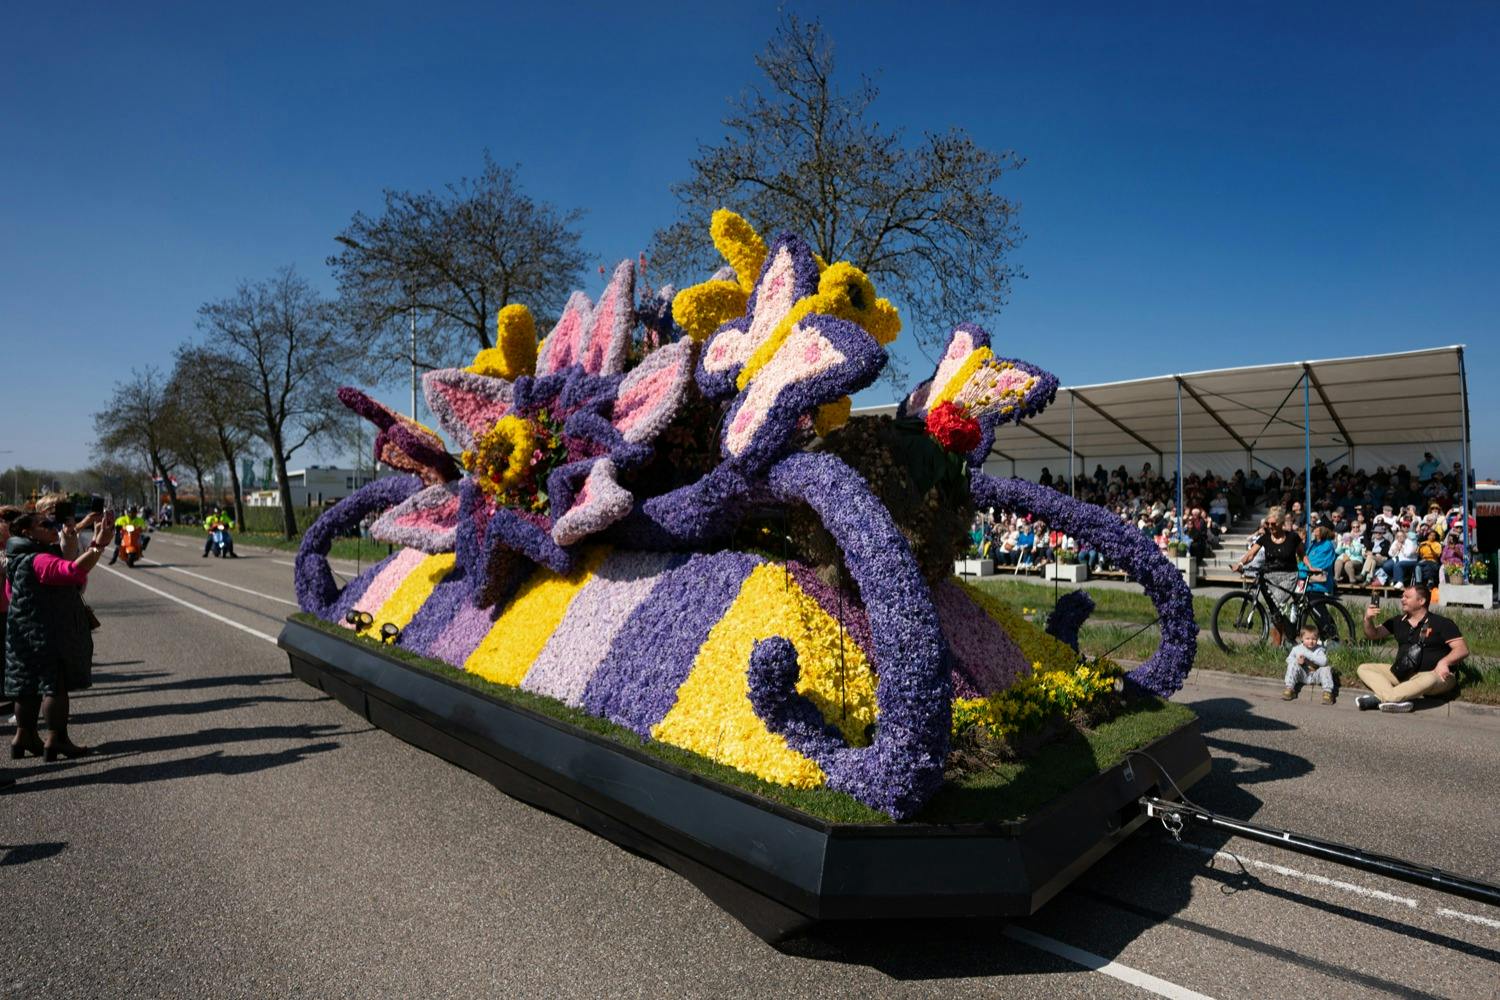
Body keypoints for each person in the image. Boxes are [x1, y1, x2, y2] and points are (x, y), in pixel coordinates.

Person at [5, 507, 113, 759]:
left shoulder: (16, 558)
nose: (52, 527)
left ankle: (24, 736)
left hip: (22, 633)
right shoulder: (39, 560)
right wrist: (98, 546)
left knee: (26, 685)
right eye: (44, 525)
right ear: (27, 532)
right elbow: (72, 572)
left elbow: (10, 595)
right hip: (47, 633)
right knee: (54, 685)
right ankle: (57, 738)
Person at [1355, 584, 1467, 713]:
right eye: (1402, 596)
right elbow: (1372, 634)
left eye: (1407, 597)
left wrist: (1444, 662)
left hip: (1436, 676)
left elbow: (1462, 649)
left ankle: (1382, 698)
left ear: (1421, 601)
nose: (1402, 599)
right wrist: (1367, 619)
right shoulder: (1397, 621)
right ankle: (1396, 699)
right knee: (1364, 668)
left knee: (1428, 678)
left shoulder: (1442, 623)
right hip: (1404, 673)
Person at [1283, 623, 1334, 704]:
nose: (1311, 641)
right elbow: (1288, 659)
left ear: (1317, 639)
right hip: (1302, 674)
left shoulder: (1320, 649)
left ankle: (1327, 692)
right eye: (1307, 638)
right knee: (1292, 665)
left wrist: (1309, 656)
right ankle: (1289, 688)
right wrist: (1297, 661)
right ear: (1301, 638)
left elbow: (1324, 662)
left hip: (1315, 675)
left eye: (1313, 639)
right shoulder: (1296, 649)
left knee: (1326, 668)